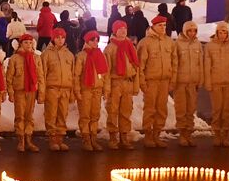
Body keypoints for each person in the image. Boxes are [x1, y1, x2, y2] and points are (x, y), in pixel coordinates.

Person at [137, 15, 176, 148]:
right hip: (151, 81)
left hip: (164, 81)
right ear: (153, 26)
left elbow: (174, 62)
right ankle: (148, 136)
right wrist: (142, 82)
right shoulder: (145, 43)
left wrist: (172, 80)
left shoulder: (169, 42)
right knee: (150, 109)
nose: (163, 28)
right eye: (160, 25)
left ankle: (157, 135)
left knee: (161, 109)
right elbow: (140, 65)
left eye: (164, 25)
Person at [104, 21, 140, 150]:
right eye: (120, 28)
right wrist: (107, 88)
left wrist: (136, 86)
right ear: (115, 31)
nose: (123, 30)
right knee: (113, 111)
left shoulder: (131, 46)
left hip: (128, 82)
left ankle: (124, 136)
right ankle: (113, 137)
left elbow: (136, 67)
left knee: (126, 111)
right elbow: (106, 71)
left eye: (125, 28)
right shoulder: (110, 48)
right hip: (115, 83)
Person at [6, 34, 44, 152]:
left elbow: (40, 76)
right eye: (26, 43)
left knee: (29, 116)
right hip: (20, 91)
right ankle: (21, 140)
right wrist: (11, 92)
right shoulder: (15, 58)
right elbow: (9, 77)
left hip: (32, 90)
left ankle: (28, 139)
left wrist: (41, 92)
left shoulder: (36, 58)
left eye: (30, 43)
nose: (28, 45)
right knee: (20, 116)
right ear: (21, 44)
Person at [205, 22, 229, 147]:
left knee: (227, 110)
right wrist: (208, 82)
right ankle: (217, 134)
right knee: (217, 110)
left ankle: (225, 135)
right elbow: (207, 66)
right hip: (215, 82)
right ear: (217, 32)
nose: (222, 34)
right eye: (220, 32)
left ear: (228, 33)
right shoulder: (209, 46)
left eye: (225, 32)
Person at [72, 29, 108, 150]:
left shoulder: (100, 54)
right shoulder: (81, 56)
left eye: (97, 40)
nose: (95, 42)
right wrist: (77, 90)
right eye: (93, 40)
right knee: (85, 115)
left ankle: (93, 138)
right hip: (85, 89)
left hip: (97, 89)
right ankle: (86, 139)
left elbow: (104, 73)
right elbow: (76, 75)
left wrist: (105, 88)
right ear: (87, 41)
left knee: (95, 115)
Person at [40, 27, 74, 151]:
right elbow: (42, 74)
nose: (60, 40)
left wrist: (72, 92)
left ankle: (60, 138)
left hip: (65, 89)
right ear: (53, 38)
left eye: (62, 37)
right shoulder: (47, 54)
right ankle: (52, 138)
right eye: (57, 37)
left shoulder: (69, 55)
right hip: (52, 89)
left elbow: (73, 73)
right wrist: (42, 92)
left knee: (62, 114)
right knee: (51, 113)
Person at [171, 21, 204, 147]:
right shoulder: (177, 44)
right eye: (189, 31)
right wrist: (174, 80)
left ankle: (189, 133)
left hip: (193, 82)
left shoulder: (198, 45)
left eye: (194, 31)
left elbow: (200, 63)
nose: (192, 33)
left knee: (191, 109)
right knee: (181, 109)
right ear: (184, 31)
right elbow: (174, 64)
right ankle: (182, 134)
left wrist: (200, 79)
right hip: (180, 82)